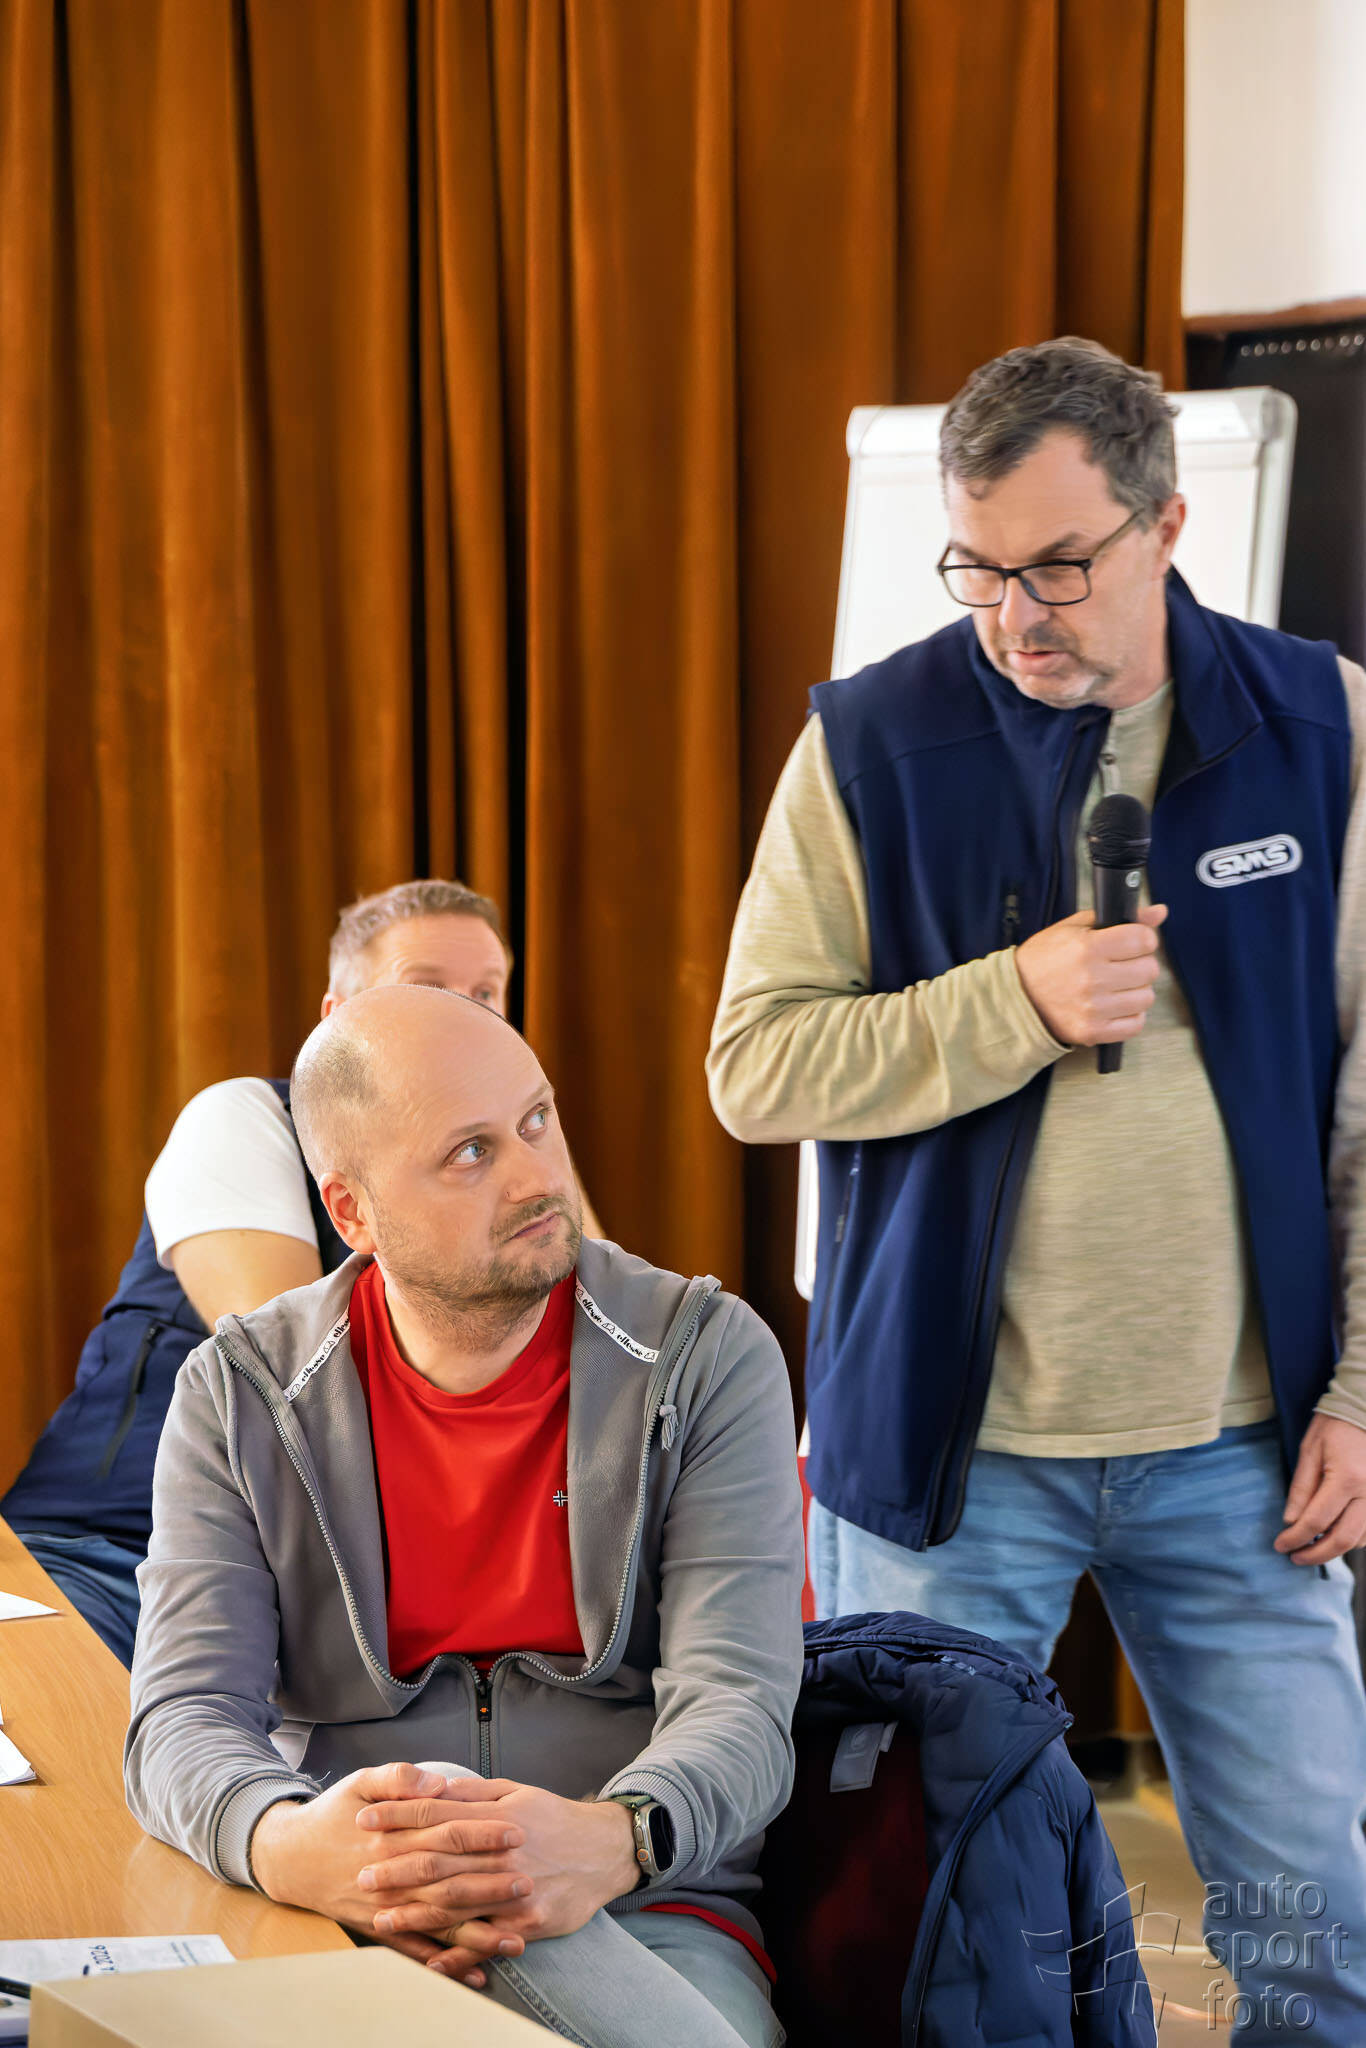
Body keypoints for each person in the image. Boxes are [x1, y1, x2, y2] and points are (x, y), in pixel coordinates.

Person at [707, 337, 1366, 2044]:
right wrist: (1015, 999)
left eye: (1058, 567)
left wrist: (1360, 1392)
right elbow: (754, 1066)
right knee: (915, 1934)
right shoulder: (874, 745)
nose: (1015, 616)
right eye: (979, 569)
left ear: (1165, 526)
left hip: (1241, 1457)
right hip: (952, 1461)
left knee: (1320, 1934)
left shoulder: (1319, 726)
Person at [125, 986, 803, 2048]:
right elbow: (181, 1713)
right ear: (352, 1213)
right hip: (347, 1906)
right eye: (471, 1152)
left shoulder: (706, 1356)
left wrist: (615, 1837)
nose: (538, 1176)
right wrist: (290, 1845)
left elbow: (743, 1704)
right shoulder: (238, 1390)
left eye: (536, 1119)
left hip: (640, 1900)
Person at [3, 878, 601, 1665]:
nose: (468, 1016)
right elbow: (302, 1393)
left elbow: (612, 1360)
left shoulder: (522, 1163)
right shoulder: (243, 1119)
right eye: (426, 988)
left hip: (348, 1607)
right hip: (112, 1555)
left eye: (488, 993)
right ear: (335, 1019)